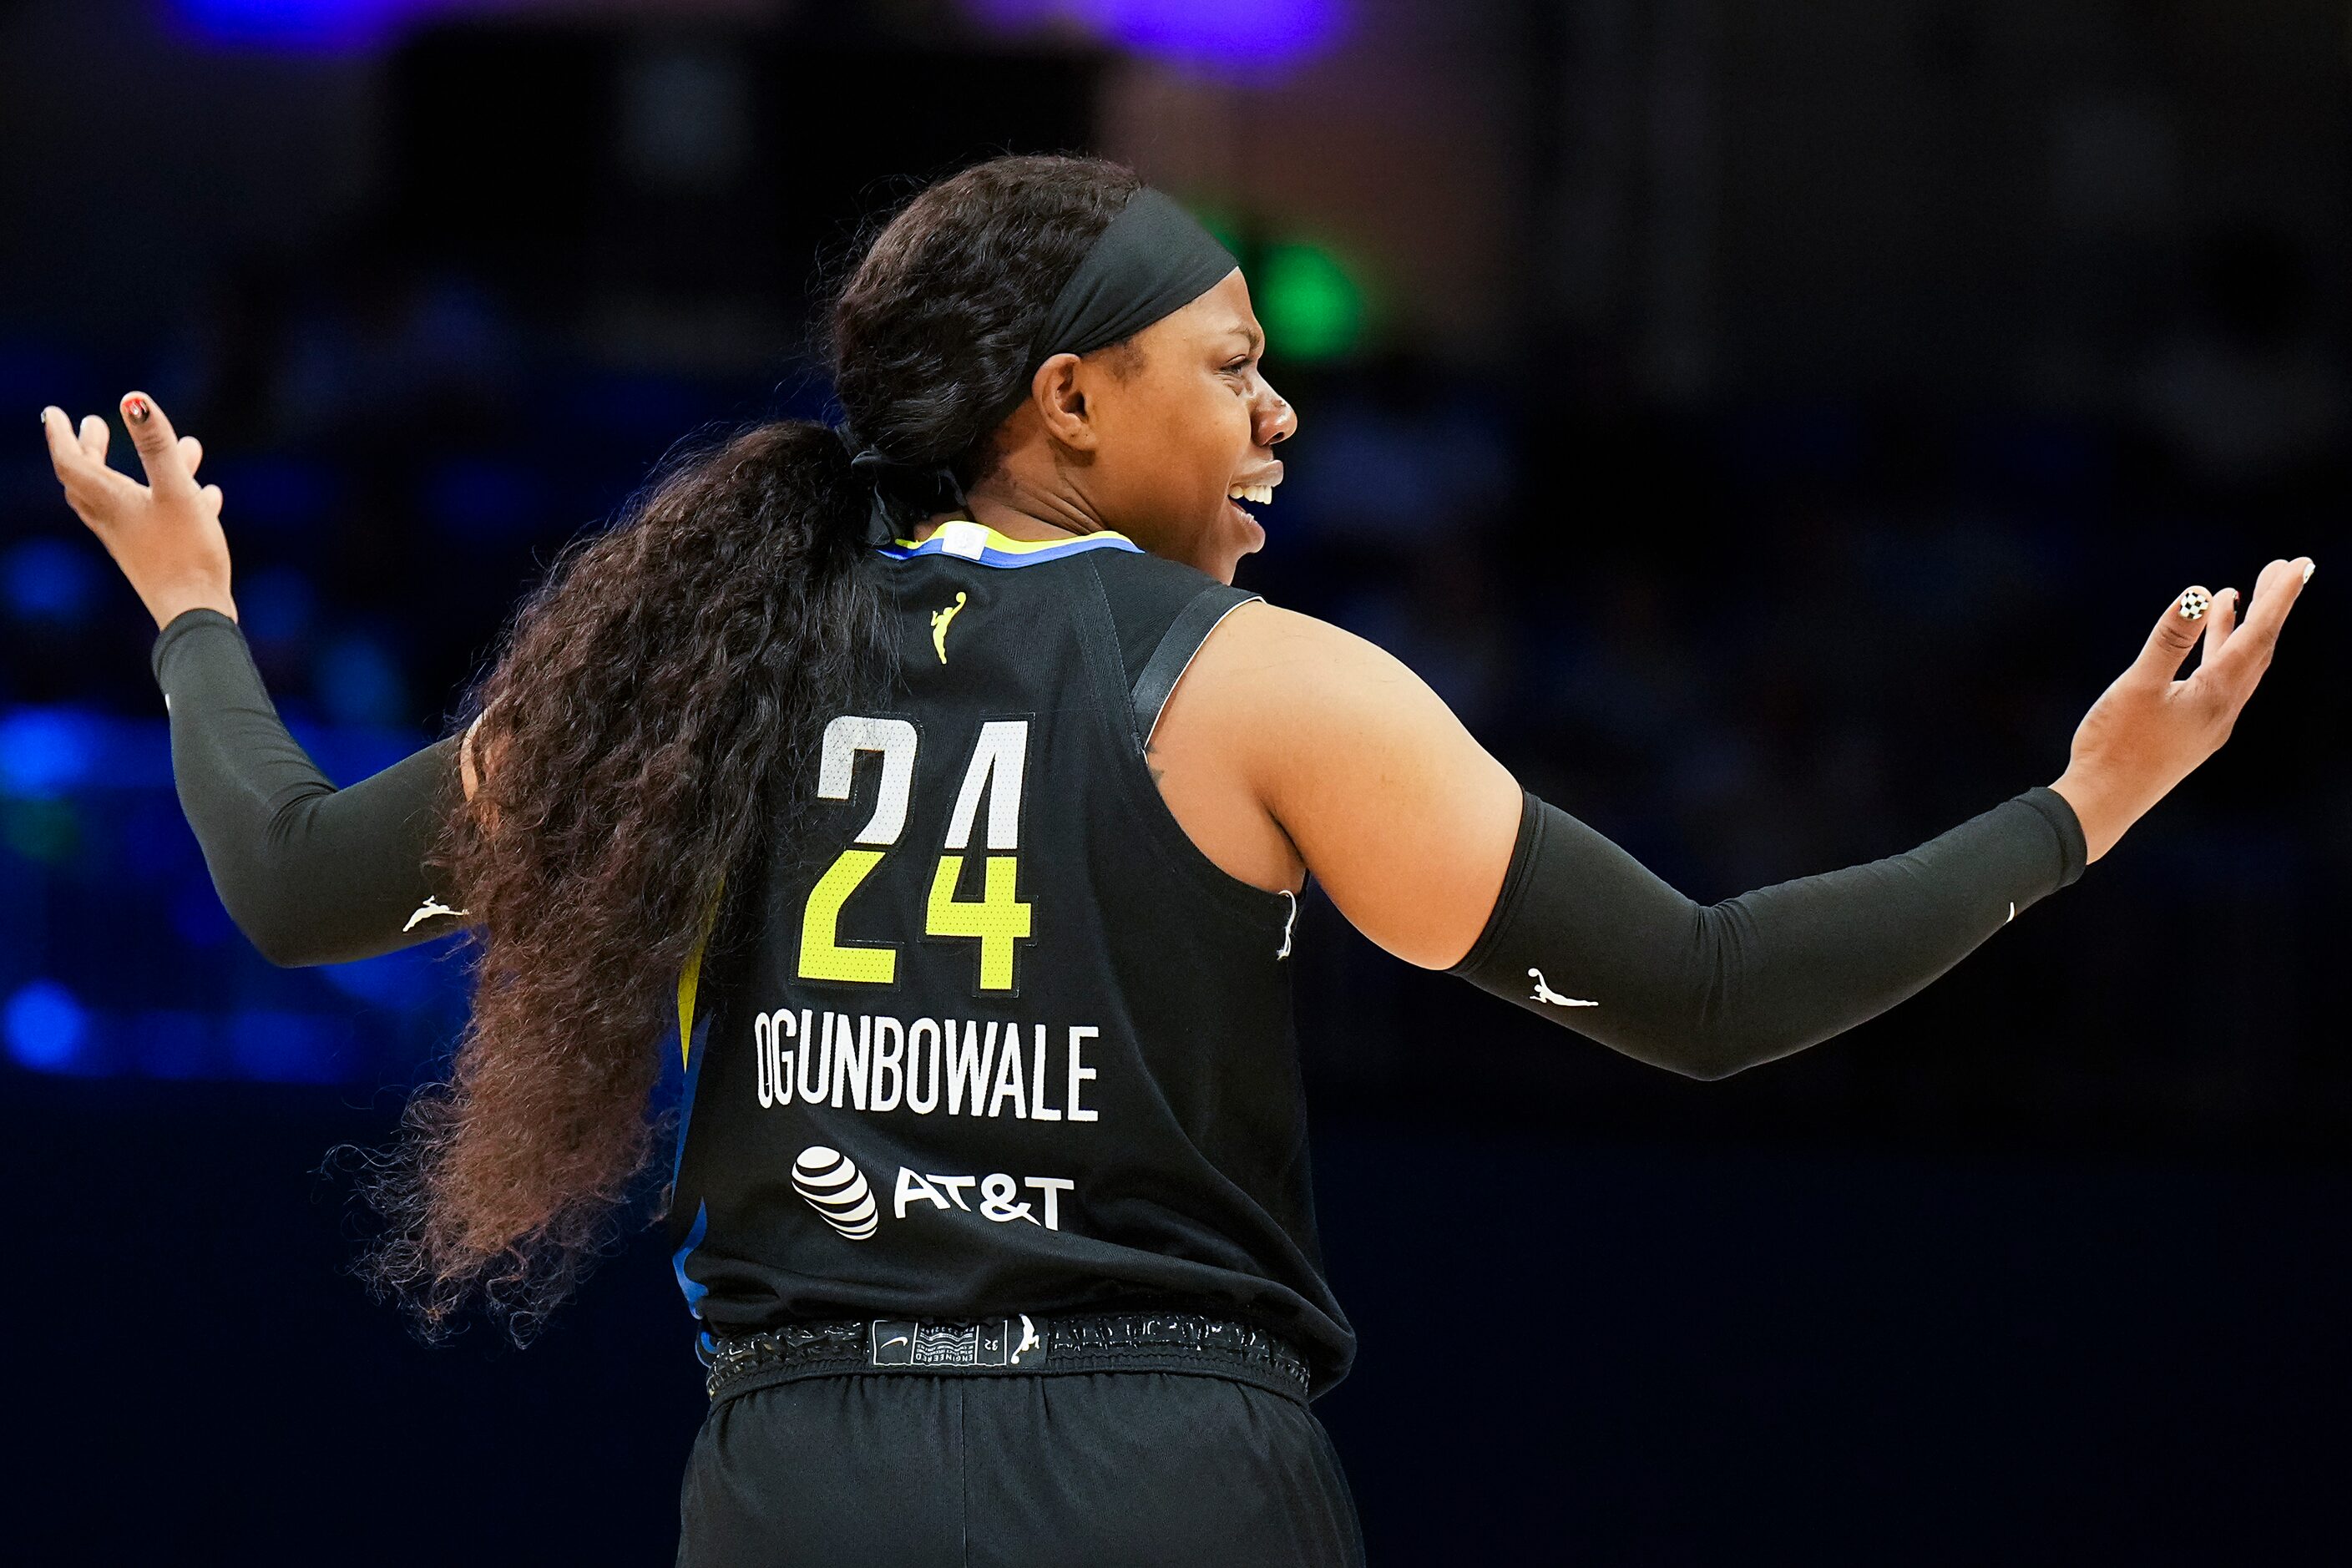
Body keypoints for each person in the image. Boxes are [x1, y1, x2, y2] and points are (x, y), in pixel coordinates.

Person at [42, 154, 2312, 1566]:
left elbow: (285, 879)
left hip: (801, 1479)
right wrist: (2077, 810)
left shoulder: (681, 668)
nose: (1281, 410)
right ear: (1065, 399)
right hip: (1160, 1473)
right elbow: (1705, 995)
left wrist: (194, 618)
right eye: (1230, 366)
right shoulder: (1266, 688)